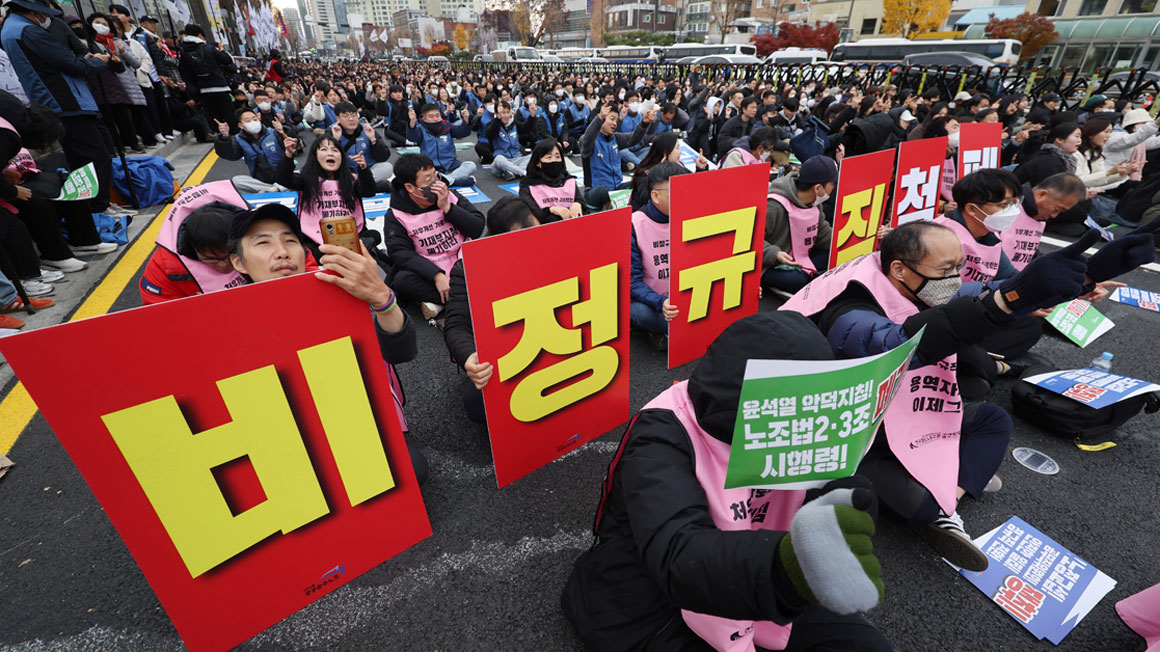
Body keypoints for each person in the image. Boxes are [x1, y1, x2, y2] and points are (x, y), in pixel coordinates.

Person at [782, 220, 1155, 570]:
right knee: (919, 507)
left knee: (994, 418)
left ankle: (949, 496)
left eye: (958, 266)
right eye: (946, 270)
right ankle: (940, 497)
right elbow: (894, 346)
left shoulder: (906, 275)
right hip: (839, 426)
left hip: (886, 400)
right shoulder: (850, 305)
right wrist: (1006, 301)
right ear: (899, 269)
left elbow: (980, 293)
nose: (955, 278)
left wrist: (1083, 277)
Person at [561, 311, 889, 652]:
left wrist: (843, 503)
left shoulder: (802, 428)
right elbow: (678, 553)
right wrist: (785, 568)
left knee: (865, 644)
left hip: (756, 569)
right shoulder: (659, 436)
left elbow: (821, 505)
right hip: (654, 601)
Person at [226, 202, 427, 485]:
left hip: (350, 422)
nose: (282, 251)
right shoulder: (225, 320)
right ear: (238, 262)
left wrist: (382, 298)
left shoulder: (340, 288)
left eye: (290, 241)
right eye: (263, 243)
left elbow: (401, 351)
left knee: (410, 469)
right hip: (286, 438)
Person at [2, 0, 116, 218]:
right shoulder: (28, 31)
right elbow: (70, 63)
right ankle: (99, 208)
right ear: (34, 12)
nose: (46, 19)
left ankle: (95, 208)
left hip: (58, 100)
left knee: (83, 158)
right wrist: (98, 62)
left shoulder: (12, 29)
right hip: (65, 100)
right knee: (93, 157)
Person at [443, 196, 540, 424]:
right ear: (499, 239)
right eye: (522, 237)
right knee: (477, 404)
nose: (534, 241)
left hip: (551, 336)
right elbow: (456, 325)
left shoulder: (554, 250)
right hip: (507, 349)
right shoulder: (468, 268)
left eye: (537, 231)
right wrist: (469, 357)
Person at [382, 154, 485, 322]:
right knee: (403, 280)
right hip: (431, 267)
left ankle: (445, 302)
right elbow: (400, 252)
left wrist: (447, 207)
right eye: (428, 179)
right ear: (410, 187)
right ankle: (468, 298)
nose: (436, 183)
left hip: (463, 259)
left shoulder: (449, 195)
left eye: (435, 175)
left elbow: (477, 227)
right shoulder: (396, 215)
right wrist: (436, 275)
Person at [275, 133, 376, 255]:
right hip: (315, 240)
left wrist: (364, 170)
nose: (330, 153)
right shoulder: (306, 179)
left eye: (335, 150)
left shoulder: (352, 179)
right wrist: (288, 155)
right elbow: (282, 178)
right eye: (324, 149)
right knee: (302, 249)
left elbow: (369, 191)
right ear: (315, 156)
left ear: (342, 157)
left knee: (374, 236)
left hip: (351, 237)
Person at [630, 162, 687, 351]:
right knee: (640, 313)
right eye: (677, 191)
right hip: (653, 301)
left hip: (688, 295)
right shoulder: (634, 224)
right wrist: (660, 302)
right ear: (655, 196)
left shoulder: (691, 216)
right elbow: (632, 281)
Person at [762, 155, 837, 294]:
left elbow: (823, 234)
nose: (833, 189)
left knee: (835, 255)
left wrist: (847, 241)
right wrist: (775, 254)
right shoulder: (774, 206)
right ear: (818, 188)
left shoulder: (814, 204)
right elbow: (751, 241)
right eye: (832, 184)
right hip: (771, 262)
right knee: (798, 280)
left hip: (800, 256)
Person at [999, 172, 1087, 274]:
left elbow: (1029, 254)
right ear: (1042, 194)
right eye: (1057, 209)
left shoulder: (1036, 217)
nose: (1054, 215)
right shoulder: (1006, 208)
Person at [580, 102, 652, 209]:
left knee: (641, 181)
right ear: (603, 118)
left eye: (616, 120)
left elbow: (634, 138)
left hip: (616, 188)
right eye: (612, 119)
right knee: (603, 192)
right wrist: (599, 118)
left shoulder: (616, 138)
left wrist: (644, 123)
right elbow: (587, 139)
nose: (615, 123)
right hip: (594, 191)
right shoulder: (589, 141)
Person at [628, 131, 709, 211]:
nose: (680, 152)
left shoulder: (678, 166)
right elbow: (649, 200)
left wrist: (701, 169)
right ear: (666, 153)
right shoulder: (645, 174)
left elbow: (693, 184)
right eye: (677, 148)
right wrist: (659, 172)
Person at [177, 24, 236, 131]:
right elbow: (227, 60)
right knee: (229, 115)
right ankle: (233, 137)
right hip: (220, 87)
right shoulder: (208, 49)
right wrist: (222, 50)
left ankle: (221, 139)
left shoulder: (184, 53)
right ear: (200, 35)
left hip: (203, 90)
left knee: (214, 117)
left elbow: (185, 73)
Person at [214, 107, 286, 193]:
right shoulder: (238, 140)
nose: (252, 122)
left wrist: (283, 132)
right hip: (261, 181)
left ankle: (276, 189)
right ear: (240, 125)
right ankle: (275, 189)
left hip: (285, 177)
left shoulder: (274, 132)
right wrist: (225, 137)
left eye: (254, 119)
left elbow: (296, 146)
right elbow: (231, 155)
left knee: (301, 173)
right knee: (236, 181)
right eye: (248, 121)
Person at [406, 103, 477, 188]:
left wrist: (465, 119)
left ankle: (445, 180)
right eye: (431, 116)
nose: (435, 119)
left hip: (451, 165)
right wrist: (412, 121)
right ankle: (454, 181)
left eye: (437, 115)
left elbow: (462, 132)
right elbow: (413, 138)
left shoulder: (447, 127)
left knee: (471, 165)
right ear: (424, 118)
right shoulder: (421, 129)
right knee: (417, 174)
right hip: (431, 168)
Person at [330, 101, 393, 191]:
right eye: (346, 116)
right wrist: (335, 140)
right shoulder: (332, 131)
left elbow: (383, 157)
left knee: (387, 167)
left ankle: (354, 186)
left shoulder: (367, 129)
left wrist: (373, 140)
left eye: (354, 115)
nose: (351, 119)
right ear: (338, 118)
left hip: (368, 170)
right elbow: (327, 160)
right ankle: (368, 186)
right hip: (345, 172)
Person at [518, 138, 583, 223]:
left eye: (557, 157)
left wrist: (578, 204)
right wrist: (550, 210)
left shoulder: (568, 180)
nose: (554, 160)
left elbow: (580, 200)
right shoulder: (528, 185)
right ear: (538, 163)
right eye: (548, 157)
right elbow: (532, 214)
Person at [487, 101, 529, 180]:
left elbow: (526, 129)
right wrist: (498, 119)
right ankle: (523, 173)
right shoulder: (492, 124)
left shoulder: (514, 124)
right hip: (502, 160)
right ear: (497, 113)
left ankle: (512, 172)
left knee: (534, 156)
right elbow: (490, 135)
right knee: (498, 160)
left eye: (507, 112)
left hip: (516, 159)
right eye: (503, 113)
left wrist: (532, 117)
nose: (506, 115)